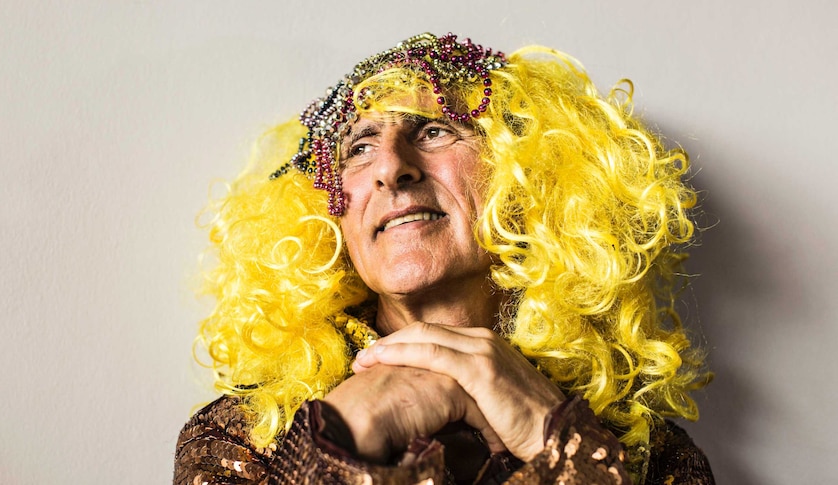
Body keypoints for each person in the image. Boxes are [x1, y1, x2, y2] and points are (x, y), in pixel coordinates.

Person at [173, 32, 714, 484]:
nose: (391, 167)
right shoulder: (243, 438)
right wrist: (350, 428)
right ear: (327, 215)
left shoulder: (649, 454)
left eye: (434, 130)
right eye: (358, 147)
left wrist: (559, 441)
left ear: (527, 176)